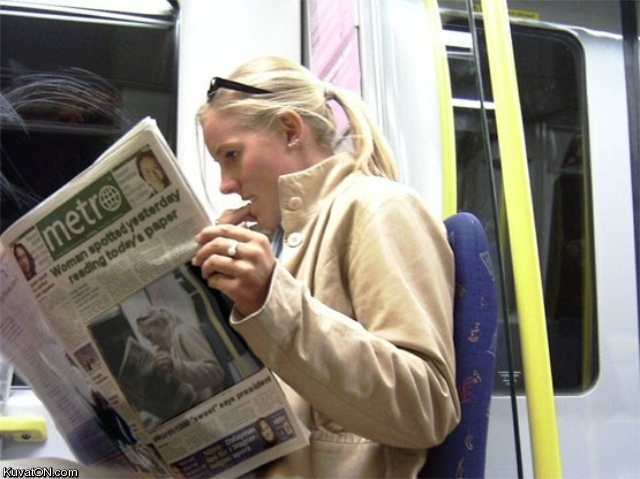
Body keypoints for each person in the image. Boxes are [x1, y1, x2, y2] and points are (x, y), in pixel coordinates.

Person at [191, 56, 460, 477]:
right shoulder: (273, 241)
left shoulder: (379, 209)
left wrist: (270, 301)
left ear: (290, 130)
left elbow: (425, 408)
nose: (225, 184)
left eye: (232, 155)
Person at [136, 307, 225, 402]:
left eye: (150, 336)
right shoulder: (166, 349)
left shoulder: (184, 332)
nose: (152, 343)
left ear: (158, 323)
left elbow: (215, 373)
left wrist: (175, 366)